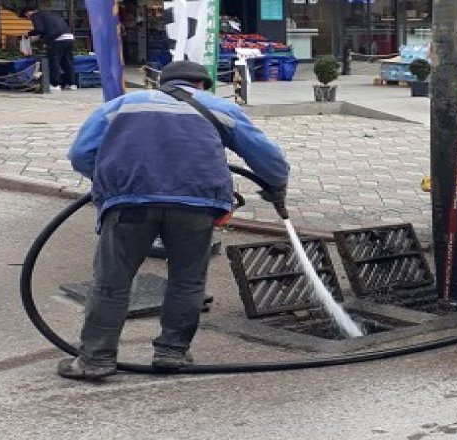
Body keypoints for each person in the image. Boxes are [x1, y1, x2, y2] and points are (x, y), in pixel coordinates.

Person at [60, 61, 290, 380]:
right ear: (201, 85)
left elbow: (80, 155)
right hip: (197, 204)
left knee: (112, 280)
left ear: (161, 83)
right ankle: (172, 353)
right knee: (187, 279)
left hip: (130, 202)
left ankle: (95, 358)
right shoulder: (221, 108)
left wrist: (112, 181)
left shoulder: (119, 106)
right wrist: (276, 187)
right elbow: (268, 158)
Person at [20, 8, 77, 91]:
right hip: (69, 37)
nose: (28, 19)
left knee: (54, 61)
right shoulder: (51, 14)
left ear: (27, 13)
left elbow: (39, 29)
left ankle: (55, 84)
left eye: (27, 17)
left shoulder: (35, 15)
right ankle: (72, 84)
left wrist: (28, 34)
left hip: (57, 39)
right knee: (67, 61)